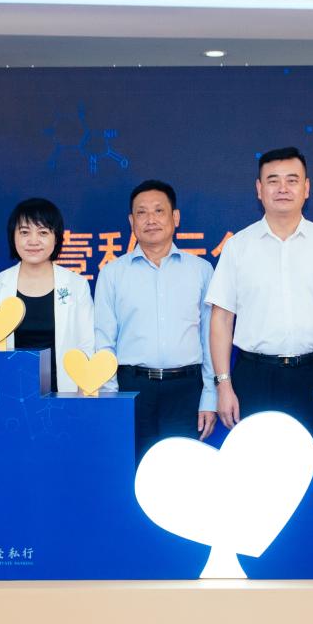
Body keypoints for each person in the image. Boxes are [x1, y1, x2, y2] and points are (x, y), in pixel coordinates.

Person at [206, 146, 313, 434]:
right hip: (255, 377)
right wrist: (223, 385)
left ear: (306, 188)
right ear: (259, 189)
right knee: (258, 459)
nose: (282, 189)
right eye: (273, 180)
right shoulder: (238, 247)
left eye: (292, 180)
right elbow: (221, 319)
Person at [94, 180, 215, 460]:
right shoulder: (112, 274)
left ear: (175, 217)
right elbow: (104, 340)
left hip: (186, 389)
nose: (151, 220)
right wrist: (111, 398)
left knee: (183, 471)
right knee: (133, 468)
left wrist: (210, 395)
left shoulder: (201, 270)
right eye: (142, 212)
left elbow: (210, 338)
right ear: (131, 221)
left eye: (159, 211)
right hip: (133, 388)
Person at [0, 198, 95, 393]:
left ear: (56, 238)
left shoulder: (77, 285)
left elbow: (87, 344)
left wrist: (81, 395)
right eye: (24, 232)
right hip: (11, 393)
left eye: (43, 232)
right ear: (13, 237)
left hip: (63, 393)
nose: (33, 241)